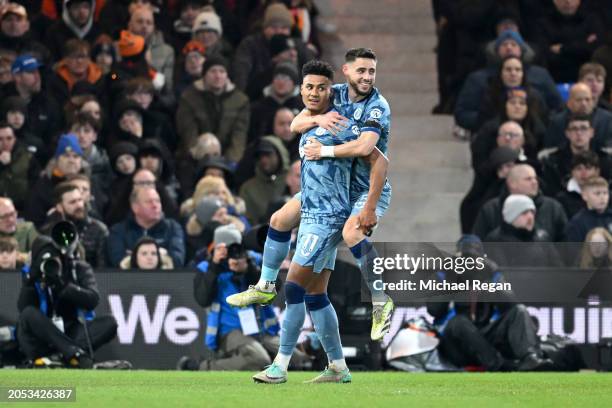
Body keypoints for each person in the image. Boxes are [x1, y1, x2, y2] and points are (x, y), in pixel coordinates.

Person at [228, 49, 394, 341]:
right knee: (279, 219)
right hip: (329, 186)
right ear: (346, 71)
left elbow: (368, 150)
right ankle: (266, 285)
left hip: (365, 189)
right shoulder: (335, 95)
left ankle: (380, 300)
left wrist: (324, 151)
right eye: (361, 71)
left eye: (371, 71)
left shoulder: (377, 106)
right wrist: (317, 120)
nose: (367, 77)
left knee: (352, 234)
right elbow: (295, 124)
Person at [251, 61, 356, 384]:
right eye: (308, 87)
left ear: (330, 89)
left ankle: (280, 366)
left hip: (328, 212)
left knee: (294, 287)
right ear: (301, 89)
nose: (313, 93)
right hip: (311, 201)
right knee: (315, 295)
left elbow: (361, 150)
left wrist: (325, 134)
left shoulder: (341, 119)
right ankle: (337, 366)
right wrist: (316, 118)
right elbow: (295, 124)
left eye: (320, 88)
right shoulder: (312, 116)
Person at [180, 224, 283, 371]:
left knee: (293, 357)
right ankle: (201, 366)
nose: (232, 254)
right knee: (260, 360)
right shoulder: (206, 268)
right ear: (216, 248)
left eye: (235, 248)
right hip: (228, 333)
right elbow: (202, 299)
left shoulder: (251, 260)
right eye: (226, 249)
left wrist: (248, 270)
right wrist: (215, 267)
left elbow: (275, 287)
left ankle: (239, 361)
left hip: (258, 329)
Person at [17, 234, 117, 368]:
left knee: (109, 322)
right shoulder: (32, 273)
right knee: (28, 313)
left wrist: (62, 285)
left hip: (70, 330)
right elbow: (24, 311)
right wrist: (31, 281)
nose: (52, 261)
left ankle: (61, 356)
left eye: (55, 256)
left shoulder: (77, 269)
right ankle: (73, 354)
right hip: (42, 338)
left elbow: (92, 300)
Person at [231, 2, 315, 100]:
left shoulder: (298, 46)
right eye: (274, 28)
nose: (279, 32)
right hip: (258, 99)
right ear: (265, 28)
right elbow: (241, 74)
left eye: (284, 28)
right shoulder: (250, 45)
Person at [176, 55, 249, 163]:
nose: (218, 76)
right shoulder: (189, 97)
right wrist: (202, 159)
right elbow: (189, 134)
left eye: (222, 71)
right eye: (213, 71)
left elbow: (239, 136)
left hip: (227, 158)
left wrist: (230, 162)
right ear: (204, 75)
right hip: (196, 156)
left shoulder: (240, 100)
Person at [473, 164, 568, 241]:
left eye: (535, 178)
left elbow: (565, 244)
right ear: (512, 184)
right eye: (528, 179)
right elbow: (478, 243)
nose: (535, 182)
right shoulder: (491, 209)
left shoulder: (553, 207)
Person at [107, 186, 185, 267]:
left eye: (157, 201)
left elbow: (177, 260)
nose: (155, 206)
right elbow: (119, 262)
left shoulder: (173, 228)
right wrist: (161, 255)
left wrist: (135, 256)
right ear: (135, 207)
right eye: (149, 202)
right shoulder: (119, 231)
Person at [25, 133, 89, 228]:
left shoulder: (90, 182)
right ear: (57, 160)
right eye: (66, 156)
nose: (71, 160)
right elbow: (35, 222)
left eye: (76, 156)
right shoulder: (43, 186)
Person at [540, 114, 612, 196]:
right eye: (574, 129)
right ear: (567, 133)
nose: (579, 133)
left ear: (592, 132)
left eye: (583, 128)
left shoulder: (605, 160)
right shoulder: (554, 162)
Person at [41, 182, 108, 268]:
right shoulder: (50, 232)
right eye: (72, 202)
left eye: (80, 200)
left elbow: (104, 269)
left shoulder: (99, 229)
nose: (79, 205)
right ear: (59, 207)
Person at [543, 83, 612, 149]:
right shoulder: (557, 122)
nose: (584, 104)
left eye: (587, 99)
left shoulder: (606, 120)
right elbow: (550, 149)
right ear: (569, 103)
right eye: (579, 100)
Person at [0, 122, 39, 211]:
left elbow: (36, 183)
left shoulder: (27, 156)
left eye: (9, 138)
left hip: (23, 207)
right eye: (0, 139)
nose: (5, 143)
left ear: (15, 139)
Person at [556, 151, 604, 219]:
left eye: (588, 168)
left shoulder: (608, 195)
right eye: (579, 168)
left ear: (597, 171)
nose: (583, 173)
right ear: (572, 172)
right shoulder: (562, 199)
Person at [565, 176, 612, 242]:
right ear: (585, 196)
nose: (602, 197)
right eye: (597, 193)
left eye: (605, 193)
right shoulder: (577, 223)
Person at [0, 197, 37, 265]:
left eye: (12, 214)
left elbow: (38, 254)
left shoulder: (28, 228)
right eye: (4, 217)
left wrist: (16, 257)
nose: (10, 220)